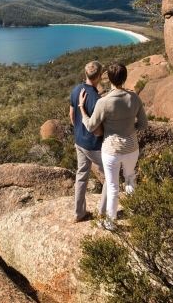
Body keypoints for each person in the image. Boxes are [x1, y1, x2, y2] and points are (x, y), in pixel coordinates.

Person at [79, 62, 148, 229]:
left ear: (109, 78)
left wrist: (82, 108)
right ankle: (133, 210)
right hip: (131, 147)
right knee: (130, 177)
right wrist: (131, 129)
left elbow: (90, 126)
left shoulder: (104, 102)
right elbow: (144, 124)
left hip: (111, 150)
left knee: (112, 186)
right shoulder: (134, 98)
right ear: (125, 78)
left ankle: (111, 222)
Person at [69, 61, 107, 223]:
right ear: (99, 76)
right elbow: (97, 131)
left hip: (79, 141)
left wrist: (79, 130)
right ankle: (104, 213)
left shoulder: (76, 90)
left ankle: (79, 213)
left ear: (85, 74)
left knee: (82, 175)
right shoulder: (98, 100)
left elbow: (71, 115)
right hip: (93, 146)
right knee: (110, 177)